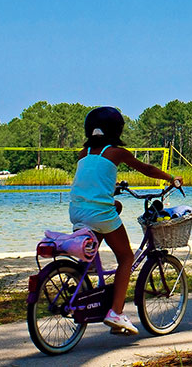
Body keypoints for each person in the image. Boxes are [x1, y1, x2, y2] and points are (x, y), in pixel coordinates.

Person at [69, 106, 182, 336]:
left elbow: (94, 178)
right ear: (116, 130)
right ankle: (116, 312)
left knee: (115, 207)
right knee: (126, 257)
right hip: (99, 213)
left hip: (76, 212)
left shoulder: (84, 153)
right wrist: (171, 178)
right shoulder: (117, 152)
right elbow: (146, 168)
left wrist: (113, 186)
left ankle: (90, 259)